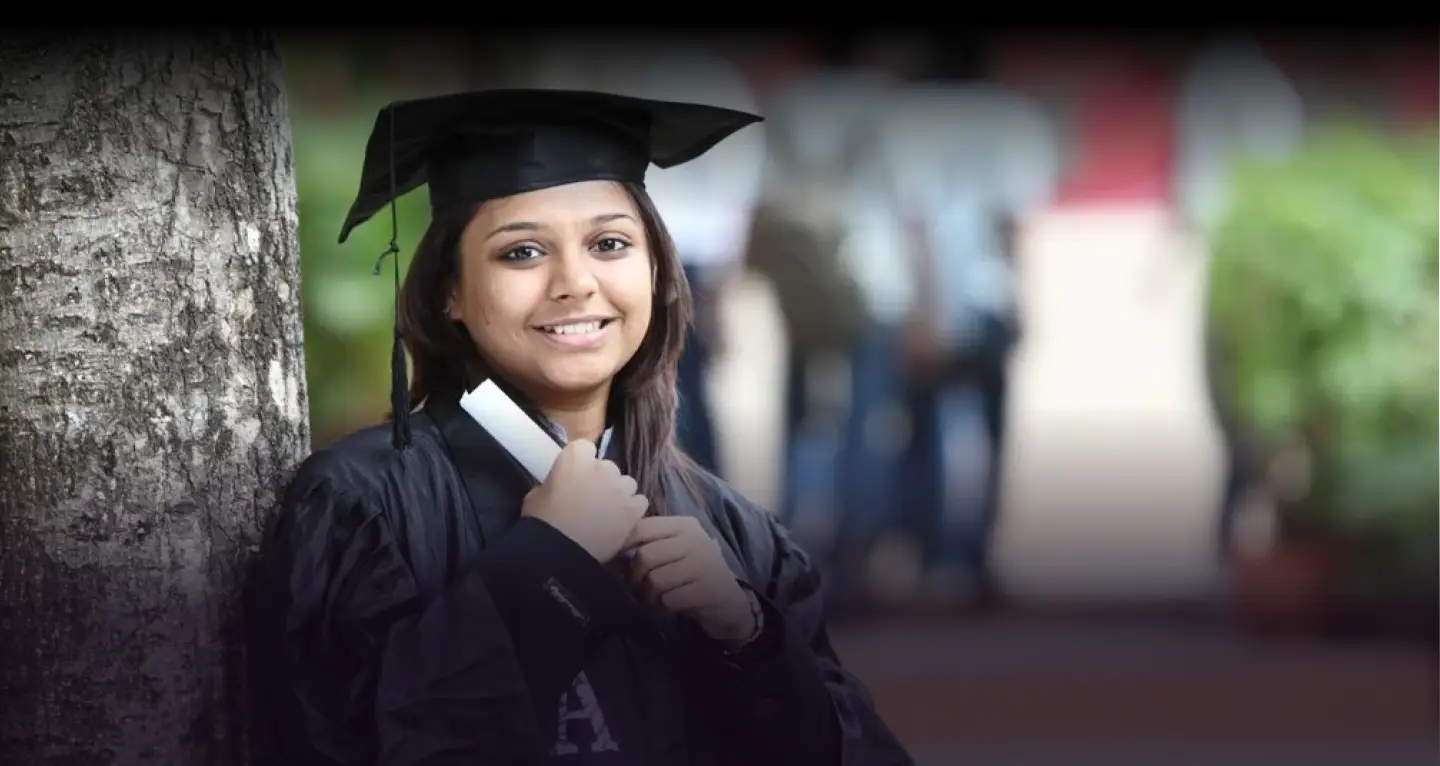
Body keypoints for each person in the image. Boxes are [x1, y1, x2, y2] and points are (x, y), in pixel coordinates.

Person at [246, 88, 913, 766]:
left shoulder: (732, 527)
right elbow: (331, 741)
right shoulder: (363, 507)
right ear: (449, 290)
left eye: (610, 244)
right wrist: (547, 564)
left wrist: (747, 635)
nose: (575, 282)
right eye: (522, 253)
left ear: (656, 272)